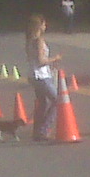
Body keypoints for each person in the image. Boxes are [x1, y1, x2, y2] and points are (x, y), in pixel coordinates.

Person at [24, 13, 61, 141]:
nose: (45, 26)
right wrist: (54, 59)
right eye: (44, 24)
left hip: (33, 75)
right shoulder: (39, 41)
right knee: (57, 100)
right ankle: (43, 130)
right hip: (41, 76)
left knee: (43, 103)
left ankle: (37, 131)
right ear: (39, 26)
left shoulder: (29, 40)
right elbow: (41, 60)